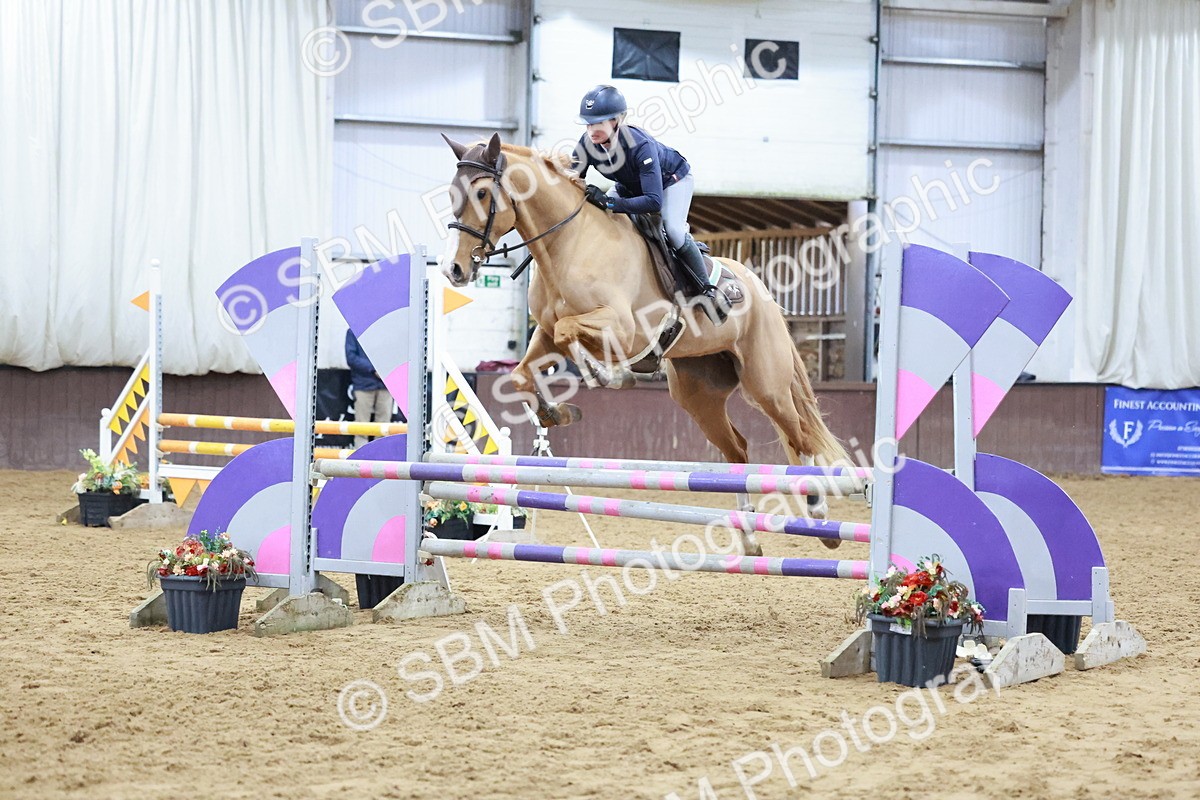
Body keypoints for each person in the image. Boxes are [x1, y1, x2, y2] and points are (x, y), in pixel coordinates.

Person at [571, 84, 728, 324]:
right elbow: (571, 180)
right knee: (603, 218)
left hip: (671, 182)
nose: (592, 130)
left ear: (616, 121)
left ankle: (706, 290)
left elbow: (653, 202)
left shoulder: (640, 145)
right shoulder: (586, 143)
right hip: (629, 185)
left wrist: (609, 202)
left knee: (673, 230)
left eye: (598, 123)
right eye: (588, 124)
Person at [345, 330, 393, 449]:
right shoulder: (352, 331)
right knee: (361, 424)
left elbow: (394, 353)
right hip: (363, 384)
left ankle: (380, 455)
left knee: (384, 425)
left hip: (385, 383)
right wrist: (374, 369)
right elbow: (351, 357)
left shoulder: (388, 329)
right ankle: (360, 458)